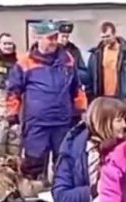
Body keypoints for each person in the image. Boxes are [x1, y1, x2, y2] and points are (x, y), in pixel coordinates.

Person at [6, 20, 87, 180]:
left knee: (64, 163)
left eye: (55, 37)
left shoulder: (67, 60)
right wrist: (12, 116)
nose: (54, 42)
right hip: (37, 124)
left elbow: (76, 88)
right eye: (50, 38)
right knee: (33, 164)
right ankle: (33, 196)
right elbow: (14, 91)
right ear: (38, 38)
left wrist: (81, 111)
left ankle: (61, 196)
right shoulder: (25, 62)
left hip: (62, 122)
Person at [86, 21, 126, 104]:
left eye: (108, 36)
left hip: (123, 100)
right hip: (103, 100)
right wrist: (91, 98)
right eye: (103, 37)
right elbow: (90, 78)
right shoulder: (96, 55)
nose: (105, 39)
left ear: (114, 34)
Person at [57, 21, 90, 90]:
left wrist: (73, 74)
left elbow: (84, 73)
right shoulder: (52, 51)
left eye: (67, 37)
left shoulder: (74, 50)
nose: (65, 39)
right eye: (63, 36)